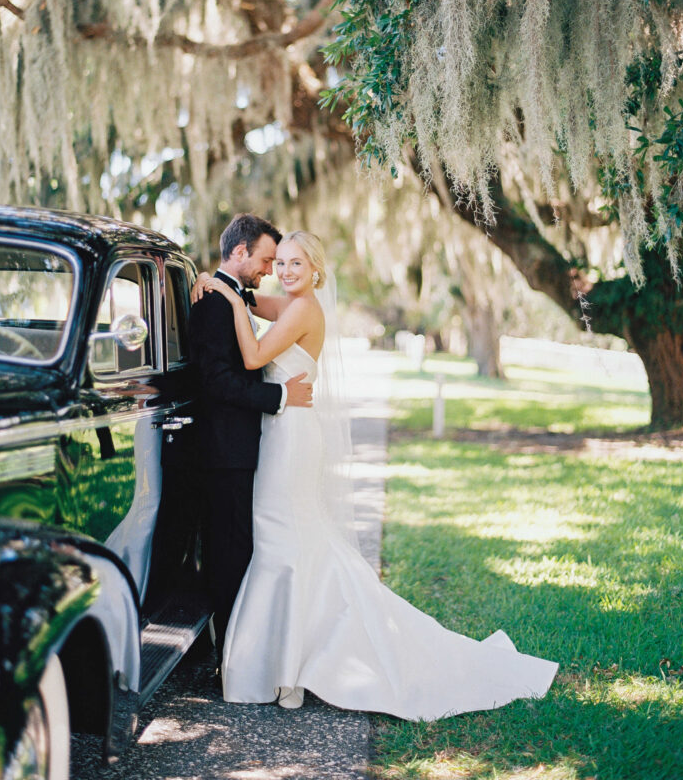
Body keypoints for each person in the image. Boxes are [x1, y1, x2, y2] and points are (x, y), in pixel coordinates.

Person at [195, 229, 559, 719]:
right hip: (281, 430)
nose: (283, 272)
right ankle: (285, 662)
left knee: (283, 539)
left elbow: (255, 357)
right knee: (285, 539)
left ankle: (284, 668)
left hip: (292, 434)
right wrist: (217, 282)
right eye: (278, 263)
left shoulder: (303, 309)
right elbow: (252, 300)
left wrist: (224, 295)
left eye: (294, 265)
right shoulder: (286, 303)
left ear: (316, 270)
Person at [189, 213, 313, 670]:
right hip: (224, 450)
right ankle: (233, 653)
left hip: (248, 444)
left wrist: (220, 283)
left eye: (283, 263)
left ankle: (244, 646)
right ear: (239, 252)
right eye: (267, 260)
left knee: (241, 546)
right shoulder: (215, 303)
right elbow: (217, 382)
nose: (272, 271)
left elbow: (252, 309)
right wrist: (279, 394)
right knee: (230, 550)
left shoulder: (233, 295)